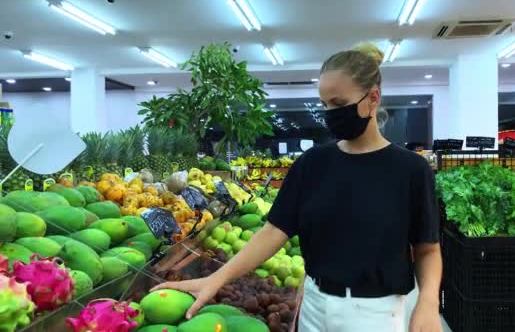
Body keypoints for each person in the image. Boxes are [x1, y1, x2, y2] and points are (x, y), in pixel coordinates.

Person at [151, 43, 443, 332]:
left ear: (373, 98)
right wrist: (216, 279)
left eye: (339, 104)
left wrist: (428, 304)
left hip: (378, 312)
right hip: (315, 306)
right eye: (325, 104)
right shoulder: (313, 164)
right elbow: (273, 232)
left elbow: (427, 249)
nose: (330, 113)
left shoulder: (410, 170)